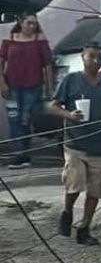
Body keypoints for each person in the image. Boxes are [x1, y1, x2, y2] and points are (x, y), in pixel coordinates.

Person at [49, 43, 101, 246]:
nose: (96, 61)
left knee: (96, 189)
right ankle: (67, 211)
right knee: (74, 183)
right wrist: (69, 115)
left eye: (100, 57)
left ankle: (85, 228)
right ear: (83, 57)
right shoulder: (71, 81)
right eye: (92, 56)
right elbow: (54, 106)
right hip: (75, 143)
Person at [0, 13, 54, 168]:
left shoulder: (40, 43)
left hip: (33, 86)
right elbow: (1, 61)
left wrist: (50, 89)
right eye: (29, 23)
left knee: (25, 120)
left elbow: (48, 66)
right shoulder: (9, 40)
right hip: (12, 86)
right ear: (21, 23)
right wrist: (2, 83)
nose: (32, 26)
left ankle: (24, 153)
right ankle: (19, 154)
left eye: (34, 24)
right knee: (13, 119)